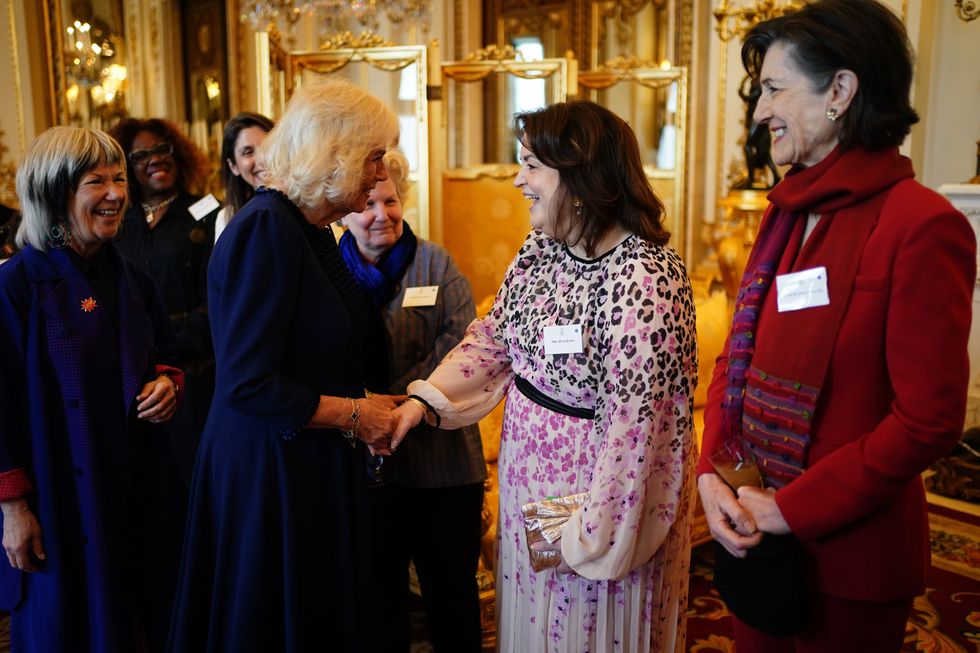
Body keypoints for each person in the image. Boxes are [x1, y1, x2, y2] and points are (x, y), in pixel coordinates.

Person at [696, 1, 976, 651]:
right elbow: (737, 356)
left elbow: (929, 420)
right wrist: (713, 472)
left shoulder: (922, 225)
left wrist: (791, 508)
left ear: (840, 91)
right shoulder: (785, 213)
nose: (759, 112)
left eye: (774, 88)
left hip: (851, 561)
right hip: (753, 532)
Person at [392, 100, 699, 652]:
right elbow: (496, 337)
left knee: (586, 631)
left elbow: (638, 426)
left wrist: (592, 533)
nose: (518, 180)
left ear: (580, 176)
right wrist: (425, 400)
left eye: (531, 165)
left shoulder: (647, 277)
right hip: (527, 484)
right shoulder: (543, 249)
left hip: (595, 502)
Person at [168, 78, 405, 652]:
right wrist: (356, 415)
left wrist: (365, 402)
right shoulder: (268, 229)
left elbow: (314, 354)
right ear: (336, 153)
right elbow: (249, 384)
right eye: (374, 157)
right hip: (268, 471)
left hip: (300, 460)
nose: (380, 174)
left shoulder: (307, 228)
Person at [0, 126, 186, 651]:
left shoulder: (134, 278)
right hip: (59, 498)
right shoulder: (15, 286)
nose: (115, 194)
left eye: (119, 179)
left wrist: (168, 385)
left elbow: (166, 357)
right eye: (96, 182)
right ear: (54, 194)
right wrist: (13, 509)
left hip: (140, 489)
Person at [339, 150, 486, 652]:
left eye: (391, 201)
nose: (382, 214)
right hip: (367, 467)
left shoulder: (437, 263)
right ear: (344, 211)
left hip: (444, 468)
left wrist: (395, 406)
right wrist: (366, 412)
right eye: (368, 204)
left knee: (452, 599)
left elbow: (460, 348)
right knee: (378, 601)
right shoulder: (330, 273)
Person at [109, 118, 219, 489]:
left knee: (195, 476)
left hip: (195, 367)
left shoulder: (207, 211)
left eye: (162, 149)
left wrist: (173, 347)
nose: (156, 158)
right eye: (142, 155)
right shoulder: (118, 221)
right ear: (127, 166)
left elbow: (216, 294)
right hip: (133, 371)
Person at [215, 111, 275, 243]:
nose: (261, 159)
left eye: (267, 147)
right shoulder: (227, 218)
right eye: (248, 152)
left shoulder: (307, 205)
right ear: (233, 166)